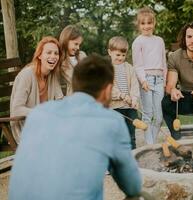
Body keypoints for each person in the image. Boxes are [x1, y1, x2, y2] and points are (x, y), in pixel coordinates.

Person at [9, 54, 142, 200]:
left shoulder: (39, 113)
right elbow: (132, 186)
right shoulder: (111, 121)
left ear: (76, 83)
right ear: (108, 89)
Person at [10, 36, 63, 144]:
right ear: (39, 55)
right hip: (26, 129)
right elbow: (16, 109)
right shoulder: (27, 75)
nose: (53, 56)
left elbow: (60, 102)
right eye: (48, 52)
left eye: (56, 53)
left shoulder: (52, 76)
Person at [132, 7, 167, 144]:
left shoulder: (159, 40)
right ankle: (150, 146)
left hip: (159, 80)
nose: (146, 26)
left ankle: (151, 140)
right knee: (148, 115)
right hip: (146, 80)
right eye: (143, 23)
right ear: (139, 25)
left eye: (149, 23)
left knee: (159, 117)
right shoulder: (138, 42)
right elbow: (137, 64)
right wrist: (142, 80)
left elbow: (164, 62)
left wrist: (164, 80)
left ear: (154, 23)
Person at [108, 36, 140, 149]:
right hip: (115, 109)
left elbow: (135, 85)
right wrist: (122, 95)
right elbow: (109, 88)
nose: (120, 58)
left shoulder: (129, 68)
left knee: (131, 135)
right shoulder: (107, 69)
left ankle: (133, 158)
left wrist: (134, 99)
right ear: (110, 52)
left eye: (123, 55)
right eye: (117, 55)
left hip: (130, 108)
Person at [59, 24, 86, 96]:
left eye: (79, 45)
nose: (78, 48)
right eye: (76, 44)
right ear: (66, 41)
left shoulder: (82, 55)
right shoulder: (62, 62)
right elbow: (74, 80)